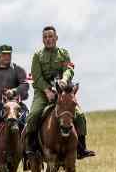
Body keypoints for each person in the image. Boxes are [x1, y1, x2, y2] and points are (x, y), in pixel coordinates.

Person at [25, 26, 96, 159]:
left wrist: (64, 79)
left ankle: (81, 147)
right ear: (42, 39)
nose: (48, 39)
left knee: (79, 115)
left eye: (51, 36)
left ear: (56, 38)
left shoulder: (64, 53)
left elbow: (69, 69)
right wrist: (47, 90)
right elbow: (36, 76)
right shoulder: (37, 56)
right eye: (45, 37)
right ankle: (31, 146)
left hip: (62, 91)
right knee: (34, 114)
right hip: (42, 92)